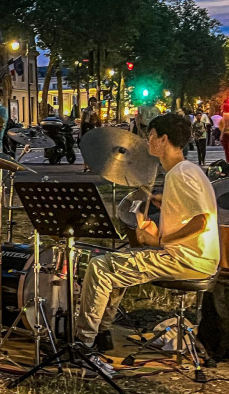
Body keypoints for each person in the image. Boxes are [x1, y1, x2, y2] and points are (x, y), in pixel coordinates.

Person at [76, 114, 219, 375]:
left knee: (100, 266)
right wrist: (166, 207)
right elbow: (191, 213)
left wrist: (159, 240)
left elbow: (201, 221)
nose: (147, 141)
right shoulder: (188, 170)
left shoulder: (181, 174)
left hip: (186, 260)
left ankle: (83, 344)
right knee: (119, 263)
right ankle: (103, 332)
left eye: (151, 135)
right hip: (196, 257)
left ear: (163, 139)